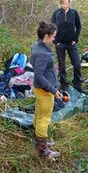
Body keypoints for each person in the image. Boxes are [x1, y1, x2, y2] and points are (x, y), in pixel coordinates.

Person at [31, 21, 62, 159]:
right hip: (44, 90)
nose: (54, 38)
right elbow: (39, 74)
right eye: (53, 36)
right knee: (44, 118)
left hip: (37, 88)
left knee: (38, 113)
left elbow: (39, 67)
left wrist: (52, 67)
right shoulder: (44, 54)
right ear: (47, 36)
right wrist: (53, 90)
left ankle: (39, 140)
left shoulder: (37, 46)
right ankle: (43, 150)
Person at [50, 0, 88, 94]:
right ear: (60, 4)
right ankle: (64, 85)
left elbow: (78, 27)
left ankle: (77, 85)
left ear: (69, 3)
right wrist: (55, 42)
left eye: (66, 4)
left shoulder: (74, 13)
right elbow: (51, 28)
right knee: (62, 66)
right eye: (62, 4)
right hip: (60, 44)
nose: (64, 6)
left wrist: (76, 39)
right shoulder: (56, 14)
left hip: (71, 43)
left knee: (76, 64)